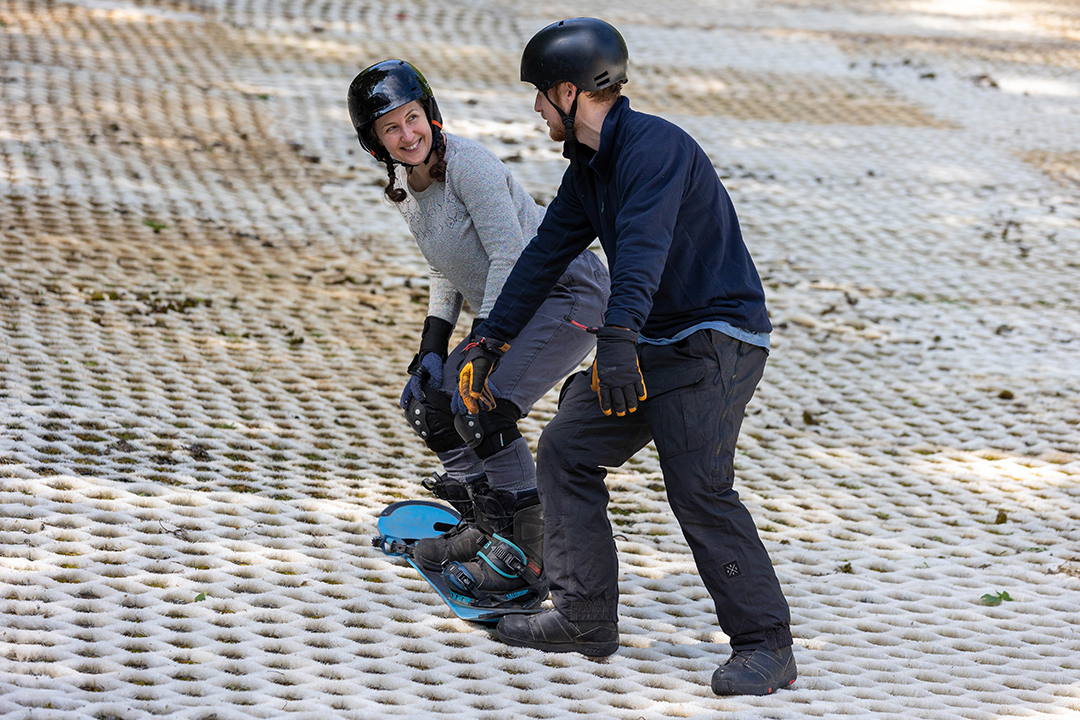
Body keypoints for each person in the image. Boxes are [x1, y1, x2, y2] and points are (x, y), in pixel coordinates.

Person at [456, 18, 797, 696]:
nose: (535, 110)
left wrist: (616, 345)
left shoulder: (656, 149)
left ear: (568, 91)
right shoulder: (590, 170)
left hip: (715, 338)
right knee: (567, 450)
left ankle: (767, 644)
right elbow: (544, 256)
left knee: (698, 486)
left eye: (538, 96)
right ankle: (583, 617)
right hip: (650, 338)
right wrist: (488, 339)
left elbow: (642, 252)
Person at [347, 60, 609, 609]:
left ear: (431, 115)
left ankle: (523, 557)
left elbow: (510, 257)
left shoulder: (472, 167)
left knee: (480, 403)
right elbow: (445, 267)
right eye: (390, 128)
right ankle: (480, 515)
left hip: (568, 296)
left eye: (412, 118)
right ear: (375, 143)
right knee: (431, 402)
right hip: (518, 304)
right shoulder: (406, 185)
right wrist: (431, 348)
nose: (407, 134)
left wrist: (485, 345)